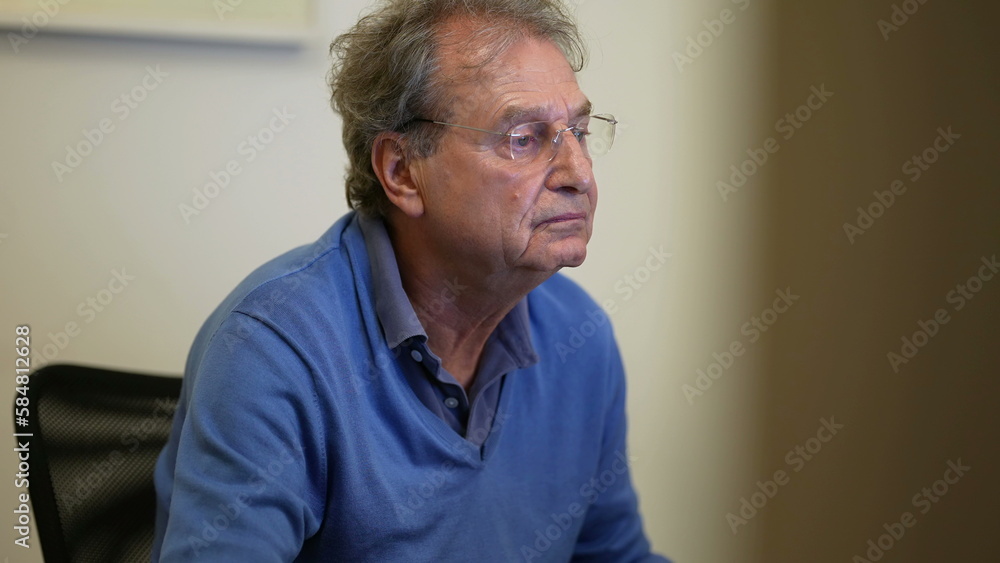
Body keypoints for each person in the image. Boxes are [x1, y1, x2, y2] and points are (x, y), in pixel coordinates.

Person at [152, 0, 668, 560]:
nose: (580, 174)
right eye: (524, 137)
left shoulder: (580, 336)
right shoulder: (270, 349)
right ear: (402, 172)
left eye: (580, 131)